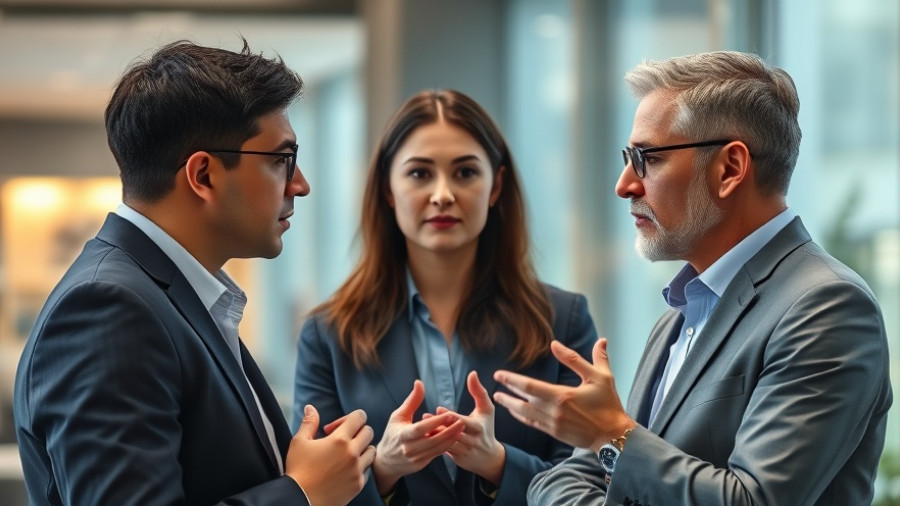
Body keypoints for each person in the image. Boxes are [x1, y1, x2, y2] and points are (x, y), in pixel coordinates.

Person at [492, 51, 892, 505]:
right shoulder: (678, 315)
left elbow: (754, 501)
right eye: (628, 158)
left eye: (647, 158)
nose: (625, 184)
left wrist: (611, 432)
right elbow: (558, 480)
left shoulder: (827, 307)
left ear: (730, 169)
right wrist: (610, 439)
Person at [14, 40, 375, 506]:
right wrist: (302, 493)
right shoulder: (109, 308)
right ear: (203, 175)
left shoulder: (172, 297)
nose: (300, 185)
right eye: (281, 160)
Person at [292, 89, 596, 505]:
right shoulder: (328, 334)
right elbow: (311, 490)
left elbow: (592, 486)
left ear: (496, 186)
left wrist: (498, 463)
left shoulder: (562, 320)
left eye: (465, 172)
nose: (442, 194)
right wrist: (385, 469)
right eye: (419, 174)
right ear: (387, 189)